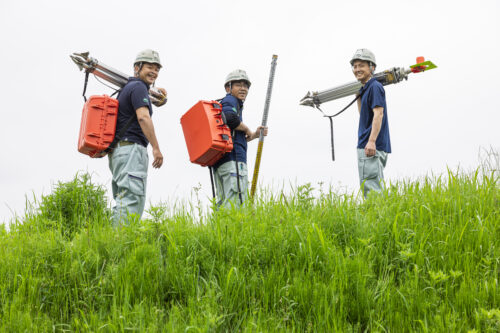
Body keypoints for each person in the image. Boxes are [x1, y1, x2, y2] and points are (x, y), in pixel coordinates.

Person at [108, 49, 166, 225]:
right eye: (149, 67)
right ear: (137, 67)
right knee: (131, 201)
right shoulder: (139, 88)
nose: (154, 72)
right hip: (132, 150)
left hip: (120, 152)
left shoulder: (129, 88)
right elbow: (143, 117)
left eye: (157, 69)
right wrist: (156, 148)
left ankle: (115, 241)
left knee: (124, 199)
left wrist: (158, 95)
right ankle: (120, 244)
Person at [212, 69, 267, 208]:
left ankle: (222, 230)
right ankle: (234, 230)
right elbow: (229, 117)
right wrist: (247, 129)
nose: (243, 88)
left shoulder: (230, 103)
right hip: (234, 161)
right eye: (238, 85)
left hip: (222, 163)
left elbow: (233, 135)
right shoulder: (231, 100)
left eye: (246, 85)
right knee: (236, 203)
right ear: (228, 88)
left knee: (224, 202)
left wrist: (253, 135)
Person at [351, 49, 391, 197]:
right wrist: (359, 96)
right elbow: (365, 116)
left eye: (361, 65)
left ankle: (375, 218)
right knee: (372, 185)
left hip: (370, 145)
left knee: (371, 190)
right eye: (355, 66)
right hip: (370, 145)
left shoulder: (374, 87)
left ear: (372, 67)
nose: (357, 69)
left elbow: (378, 114)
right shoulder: (367, 89)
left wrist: (371, 141)